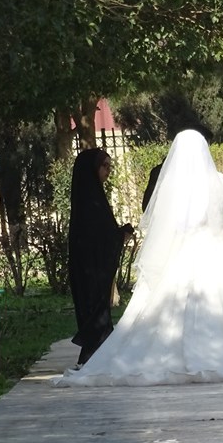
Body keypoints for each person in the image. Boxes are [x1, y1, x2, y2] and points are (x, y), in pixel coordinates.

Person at [54, 130, 223, 387]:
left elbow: (164, 226)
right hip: (220, 253)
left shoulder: (172, 186)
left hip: (184, 256)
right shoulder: (215, 179)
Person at [67, 149, 133, 367]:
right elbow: (97, 237)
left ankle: (96, 355)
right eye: (105, 166)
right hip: (90, 268)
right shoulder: (90, 202)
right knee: (94, 310)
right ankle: (95, 355)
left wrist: (118, 234)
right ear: (92, 169)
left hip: (93, 267)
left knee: (96, 311)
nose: (108, 172)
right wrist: (119, 236)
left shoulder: (92, 196)